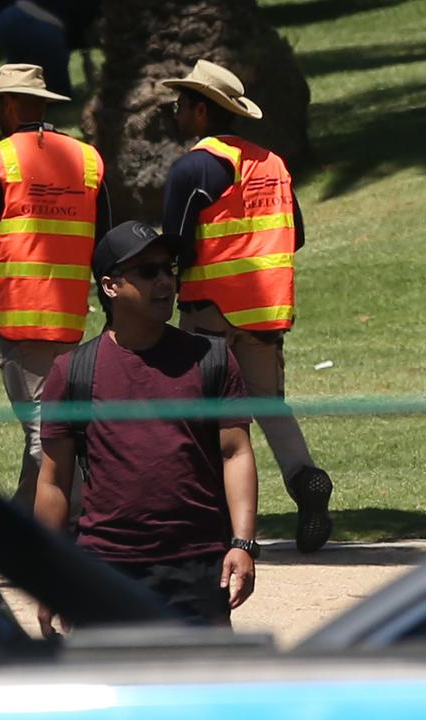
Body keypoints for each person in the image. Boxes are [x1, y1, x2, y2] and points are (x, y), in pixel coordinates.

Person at [34, 220, 259, 632]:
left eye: (168, 268)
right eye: (148, 271)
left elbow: (236, 452)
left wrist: (242, 544)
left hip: (196, 566)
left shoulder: (210, 358)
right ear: (110, 285)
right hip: (104, 569)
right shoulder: (73, 372)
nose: (166, 282)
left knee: (202, 694)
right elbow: (52, 481)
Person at [159, 59, 333, 554]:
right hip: (264, 312)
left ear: (200, 110)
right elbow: (293, 234)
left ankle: (225, 526)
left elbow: (177, 246)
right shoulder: (271, 163)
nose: (174, 111)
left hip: (209, 310)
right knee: (268, 405)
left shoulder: (194, 166)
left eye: (180, 103)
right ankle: (305, 479)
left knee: (211, 417)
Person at [0, 63, 112, 511]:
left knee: (46, 438)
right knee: (48, 428)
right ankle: (20, 528)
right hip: (71, 318)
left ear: (5, 106)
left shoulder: (0, 158)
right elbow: (109, 240)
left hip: (21, 318)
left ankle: (90, 529)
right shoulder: (87, 159)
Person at [0, 0, 103, 98]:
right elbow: (93, 34)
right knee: (59, 94)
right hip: (39, 26)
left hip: (4, 19)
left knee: (21, 75)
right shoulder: (100, 9)